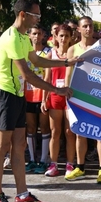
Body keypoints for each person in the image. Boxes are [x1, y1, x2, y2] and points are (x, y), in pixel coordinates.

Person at [0, 0, 78, 202]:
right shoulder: (10, 37)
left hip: (17, 95)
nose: (38, 18)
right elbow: (28, 74)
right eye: (35, 14)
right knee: (2, 147)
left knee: (19, 146)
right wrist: (57, 89)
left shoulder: (24, 37)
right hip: (4, 95)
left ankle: (22, 195)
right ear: (22, 14)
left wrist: (65, 61)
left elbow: (37, 60)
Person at [63, 16, 97, 182]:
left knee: (99, 133)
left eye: (90, 26)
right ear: (79, 29)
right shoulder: (72, 49)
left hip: (95, 96)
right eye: (85, 26)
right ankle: (80, 166)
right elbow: (68, 75)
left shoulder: (99, 47)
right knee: (79, 133)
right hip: (77, 97)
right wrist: (67, 101)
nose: (88, 29)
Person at [43, 24, 75, 177]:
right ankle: (53, 164)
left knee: (69, 132)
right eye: (61, 36)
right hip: (55, 95)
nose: (63, 39)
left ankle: (70, 164)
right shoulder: (51, 54)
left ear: (71, 37)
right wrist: (44, 99)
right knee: (55, 132)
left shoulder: (73, 53)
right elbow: (47, 79)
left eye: (66, 36)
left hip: (70, 96)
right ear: (56, 37)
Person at [24, 24, 51, 174]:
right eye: (34, 33)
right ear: (29, 35)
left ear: (43, 36)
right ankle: (32, 160)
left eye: (39, 33)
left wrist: (44, 98)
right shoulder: (25, 53)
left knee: (45, 127)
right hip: (28, 96)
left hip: (42, 96)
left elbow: (47, 76)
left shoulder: (47, 53)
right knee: (31, 128)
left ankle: (43, 160)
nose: (36, 36)